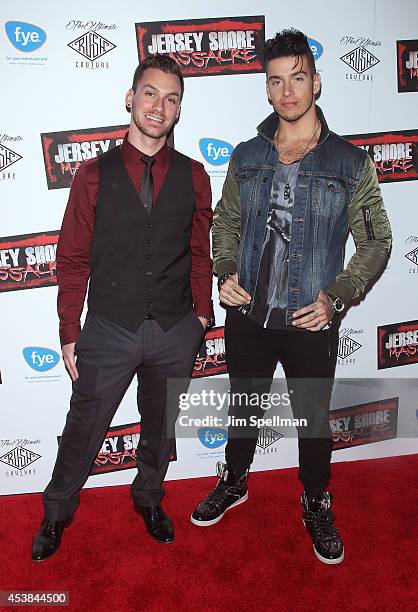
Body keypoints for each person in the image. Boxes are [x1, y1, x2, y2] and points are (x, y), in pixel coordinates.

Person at [190, 29, 392, 565]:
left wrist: (339, 297)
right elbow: (226, 222)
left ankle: (317, 500)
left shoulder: (350, 163)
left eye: (297, 79)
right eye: (276, 81)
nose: (287, 92)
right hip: (250, 313)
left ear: (317, 82)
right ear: (267, 88)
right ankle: (234, 480)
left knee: (313, 417)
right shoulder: (247, 155)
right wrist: (225, 269)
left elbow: (377, 240)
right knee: (243, 406)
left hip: (310, 319)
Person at [32, 54, 213, 561]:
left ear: (179, 110)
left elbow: (201, 250)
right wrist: (70, 330)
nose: (160, 105)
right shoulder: (93, 175)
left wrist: (202, 317)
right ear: (131, 98)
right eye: (151, 93)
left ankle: (149, 498)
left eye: (172, 98)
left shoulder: (196, 176)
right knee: (84, 426)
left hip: (176, 327)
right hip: (109, 328)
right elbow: (70, 257)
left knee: (160, 426)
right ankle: (57, 511)